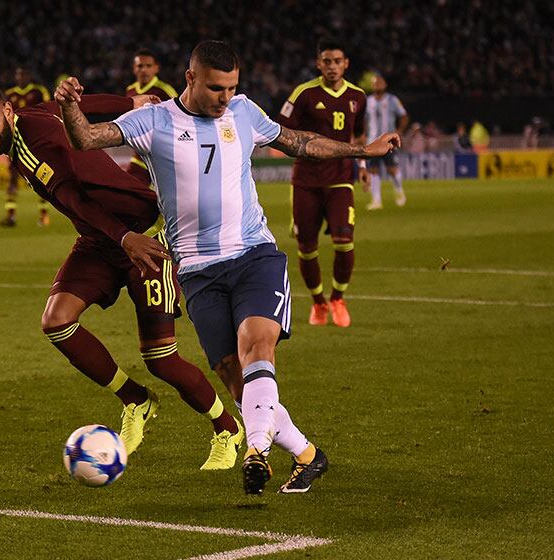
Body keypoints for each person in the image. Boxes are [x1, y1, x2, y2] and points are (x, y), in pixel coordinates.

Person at [56, 40, 399, 494]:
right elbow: (86, 139)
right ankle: (309, 456)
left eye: (233, 87)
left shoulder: (242, 111)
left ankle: (254, 451)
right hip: (197, 272)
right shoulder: (154, 121)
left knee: (257, 348)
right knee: (233, 375)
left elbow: (298, 141)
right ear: (191, 78)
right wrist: (70, 108)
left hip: (253, 254)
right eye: (217, 88)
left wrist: (363, 150)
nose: (225, 97)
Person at [0, 74, 244, 470]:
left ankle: (227, 429)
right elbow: (75, 107)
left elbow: (76, 199)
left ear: (6, 110)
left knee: (160, 357)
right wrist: (130, 100)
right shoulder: (30, 117)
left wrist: (127, 239)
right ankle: (135, 399)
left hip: (141, 237)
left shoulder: (35, 145)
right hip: (101, 240)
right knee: (57, 321)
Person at [276, 39, 368, 329]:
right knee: (307, 247)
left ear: (346, 64)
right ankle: (318, 302)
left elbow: (359, 136)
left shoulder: (358, 96)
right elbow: (280, 129)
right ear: (319, 64)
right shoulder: (304, 93)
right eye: (326, 61)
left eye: (337, 61)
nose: (332, 66)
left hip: (341, 179)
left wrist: (362, 165)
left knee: (344, 241)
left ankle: (338, 298)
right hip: (306, 180)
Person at [1, 67, 52, 227]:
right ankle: (11, 216)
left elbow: (48, 112)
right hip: (15, 143)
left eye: (23, 74)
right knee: (12, 180)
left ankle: (44, 216)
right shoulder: (9, 94)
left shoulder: (38, 92)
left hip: (35, 142)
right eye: (17, 75)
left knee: (41, 178)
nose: (20, 77)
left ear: (29, 76)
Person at [124, 49, 178, 185]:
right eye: (140, 66)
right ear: (134, 69)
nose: (144, 70)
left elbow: (179, 118)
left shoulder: (165, 91)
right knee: (129, 187)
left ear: (156, 68)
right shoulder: (130, 90)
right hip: (140, 152)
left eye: (148, 66)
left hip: (162, 153)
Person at [364, 74, 409, 209]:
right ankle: (377, 201)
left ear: (385, 85)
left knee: (392, 169)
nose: (377, 84)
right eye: (375, 83)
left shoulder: (392, 100)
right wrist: (363, 134)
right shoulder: (368, 101)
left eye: (380, 82)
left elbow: (404, 116)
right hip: (372, 141)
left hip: (388, 140)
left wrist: (399, 131)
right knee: (372, 170)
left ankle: (399, 191)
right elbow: (363, 120)